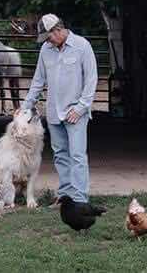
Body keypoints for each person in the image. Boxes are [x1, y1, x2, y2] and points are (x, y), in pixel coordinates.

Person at [20, 13, 98, 204]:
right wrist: (25, 107)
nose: (48, 41)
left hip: (75, 113)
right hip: (54, 111)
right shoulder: (46, 50)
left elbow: (91, 80)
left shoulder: (82, 46)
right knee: (60, 155)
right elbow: (38, 81)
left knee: (78, 156)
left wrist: (81, 108)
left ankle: (80, 198)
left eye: (49, 36)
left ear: (58, 30)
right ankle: (65, 195)